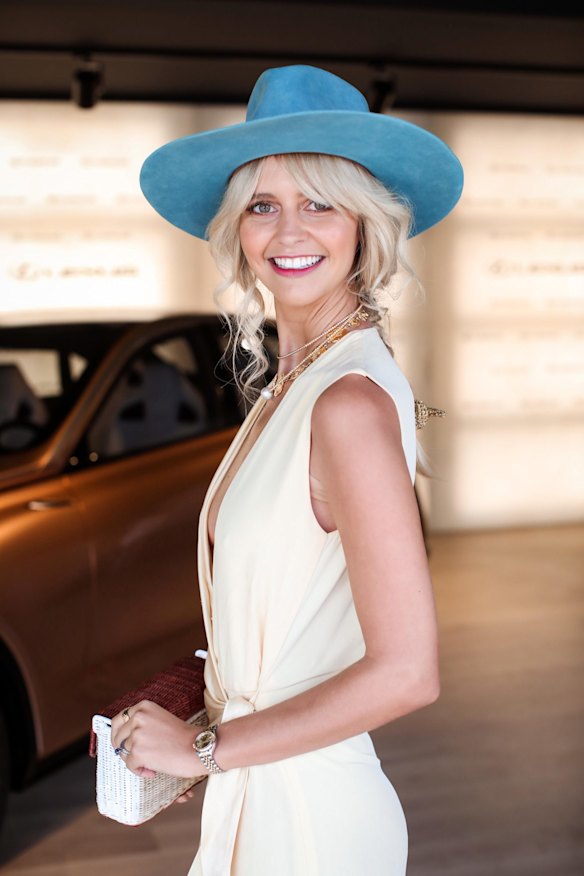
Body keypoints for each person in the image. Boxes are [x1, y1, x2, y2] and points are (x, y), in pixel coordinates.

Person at [111, 64, 463, 875]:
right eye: (263, 205)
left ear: (364, 226)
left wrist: (207, 746)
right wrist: (201, 717)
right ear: (237, 227)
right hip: (263, 787)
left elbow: (408, 673)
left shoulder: (345, 404)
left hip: (311, 820)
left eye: (320, 202)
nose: (289, 231)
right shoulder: (295, 387)